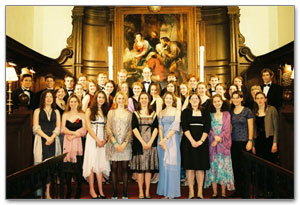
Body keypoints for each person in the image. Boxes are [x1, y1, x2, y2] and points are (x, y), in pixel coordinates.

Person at [204, 94, 235, 199]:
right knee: (213, 168)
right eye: (215, 101)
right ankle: (214, 192)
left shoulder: (226, 114)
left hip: (223, 144)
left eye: (219, 101)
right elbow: (209, 129)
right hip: (212, 145)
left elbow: (226, 129)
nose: (217, 103)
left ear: (222, 102)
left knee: (223, 169)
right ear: (213, 103)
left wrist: (219, 139)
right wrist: (214, 138)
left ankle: (223, 193)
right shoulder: (210, 115)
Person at [181, 93, 211, 199]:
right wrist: (192, 141)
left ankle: (199, 192)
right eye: (192, 99)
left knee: (200, 168)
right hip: (188, 143)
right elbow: (184, 127)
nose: (194, 100)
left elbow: (207, 127)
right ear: (189, 101)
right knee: (190, 168)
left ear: (199, 100)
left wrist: (201, 141)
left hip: (202, 143)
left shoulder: (205, 112)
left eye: (196, 98)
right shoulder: (185, 112)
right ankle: (191, 192)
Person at [32, 90, 61, 199]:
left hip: (53, 141)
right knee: (40, 167)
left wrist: (52, 138)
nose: (48, 99)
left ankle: (48, 192)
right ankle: (40, 192)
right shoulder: (37, 111)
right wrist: (46, 137)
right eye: (46, 97)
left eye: (50, 97)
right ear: (42, 99)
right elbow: (35, 128)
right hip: (41, 140)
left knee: (50, 167)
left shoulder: (57, 112)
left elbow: (58, 127)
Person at [130, 92, 159, 199]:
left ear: (149, 100)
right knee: (140, 169)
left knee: (148, 169)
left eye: (145, 98)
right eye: (142, 98)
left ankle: (147, 191)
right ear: (139, 100)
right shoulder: (135, 113)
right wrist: (142, 142)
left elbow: (156, 128)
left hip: (151, 143)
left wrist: (150, 142)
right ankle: (141, 191)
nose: (144, 100)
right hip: (139, 144)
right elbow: (134, 128)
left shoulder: (154, 113)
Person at [83, 91, 111, 199]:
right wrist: (97, 140)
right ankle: (91, 189)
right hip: (92, 139)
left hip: (103, 140)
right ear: (95, 98)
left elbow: (107, 126)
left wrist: (105, 139)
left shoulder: (105, 111)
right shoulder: (89, 110)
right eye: (99, 97)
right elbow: (88, 127)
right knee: (91, 163)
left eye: (103, 97)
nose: (101, 99)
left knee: (100, 163)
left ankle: (101, 190)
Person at [106, 91, 132, 199]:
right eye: (119, 98)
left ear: (125, 100)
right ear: (115, 100)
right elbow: (108, 127)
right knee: (114, 168)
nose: (121, 101)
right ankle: (115, 192)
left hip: (126, 144)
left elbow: (131, 129)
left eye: (123, 98)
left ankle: (125, 192)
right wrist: (115, 142)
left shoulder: (129, 113)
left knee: (125, 168)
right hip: (113, 143)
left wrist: (125, 143)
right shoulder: (111, 112)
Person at [61, 95, 87, 199]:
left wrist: (76, 135)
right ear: (69, 103)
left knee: (78, 168)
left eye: (75, 101)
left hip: (78, 143)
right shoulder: (65, 114)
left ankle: (79, 189)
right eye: (71, 102)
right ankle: (69, 190)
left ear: (78, 103)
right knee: (67, 168)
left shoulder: (82, 114)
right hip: (67, 142)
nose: (73, 103)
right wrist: (72, 134)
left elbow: (84, 129)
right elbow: (62, 128)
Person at [156, 92, 181, 199]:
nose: (168, 100)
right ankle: (165, 192)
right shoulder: (161, 112)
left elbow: (175, 127)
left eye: (170, 98)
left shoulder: (177, 111)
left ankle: (172, 192)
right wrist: (161, 140)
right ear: (164, 100)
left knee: (172, 166)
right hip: (162, 142)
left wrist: (166, 139)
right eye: (167, 98)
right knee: (164, 166)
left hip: (172, 141)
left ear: (173, 100)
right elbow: (160, 127)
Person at [230, 91, 254, 198]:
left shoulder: (247, 111)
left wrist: (250, 141)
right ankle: (238, 190)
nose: (235, 100)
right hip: (234, 143)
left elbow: (251, 127)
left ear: (241, 99)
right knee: (236, 167)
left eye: (237, 98)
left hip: (245, 142)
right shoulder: (231, 112)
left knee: (246, 168)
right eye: (233, 98)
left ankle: (246, 192)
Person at [252, 92, 279, 163]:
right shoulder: (254, 111)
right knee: (260, 163)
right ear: (255, 100)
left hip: (269, 140)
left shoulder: (272, 109)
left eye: (261, 98)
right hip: (258, 140)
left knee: (270, 163)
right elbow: (253, 129)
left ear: (265, 99)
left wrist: (275, 143)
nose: (259, 100)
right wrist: (253, 145)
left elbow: (276, 128)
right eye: (257, 98)